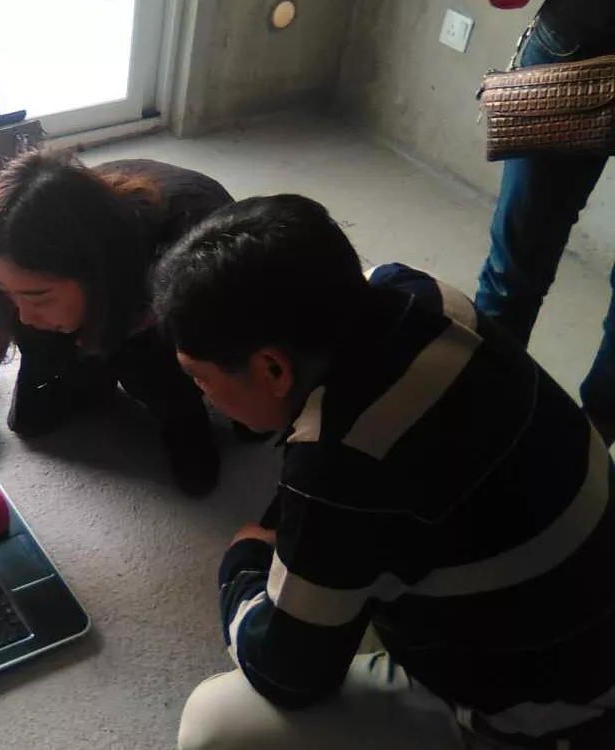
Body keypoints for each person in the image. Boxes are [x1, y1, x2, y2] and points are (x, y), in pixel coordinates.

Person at [152, 194, 615, 749]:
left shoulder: (338, 465)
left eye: (199, 377)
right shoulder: (414, 289)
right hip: (586, 601)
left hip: (552, 709)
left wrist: (242, 564)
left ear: (273, 369)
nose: (200, 393)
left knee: (215, 725)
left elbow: (287, 673)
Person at [0, 151, 246, 611]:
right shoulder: (22, 264)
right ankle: (95, 356)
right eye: (9, 293)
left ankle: (169, 404)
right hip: (100, 302)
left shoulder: (182, 258)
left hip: (158, 305)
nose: (23, 315)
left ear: (92, 272)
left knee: (167, 390)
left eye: (38, 296)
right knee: (32, 419)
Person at [475, 0, 615, 445]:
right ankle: (584, 449)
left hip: (578, 35)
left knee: (514, 265)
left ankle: (583, 450)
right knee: (515, 263)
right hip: (576, 39)